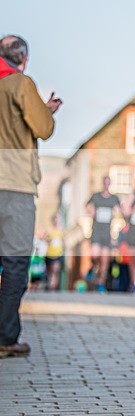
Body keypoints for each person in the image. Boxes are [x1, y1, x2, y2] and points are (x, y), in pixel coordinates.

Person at [0, 35, 60, 358]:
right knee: (14, 263)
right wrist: (48, 111)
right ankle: (5, 337)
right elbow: (42, 128)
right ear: (22, 59)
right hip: (13, 185)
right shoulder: (20, 84)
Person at [86, 176, 123, 292]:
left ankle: (101, 282)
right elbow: (87, 206)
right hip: (96, 231)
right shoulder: (96, 196)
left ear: (110, 184)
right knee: (95, 254)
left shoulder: (114, 198)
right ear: (102, 183)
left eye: (108, 183)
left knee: (105, 259)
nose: (106, 185)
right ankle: (92, 268)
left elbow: (121, 212)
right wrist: (90, 210)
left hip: (107, 233)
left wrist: (118, 212)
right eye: (105, 182)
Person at [44, 215, 65, 291]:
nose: (56, 222)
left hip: (57, 254)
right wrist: (49, 240)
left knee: (55, 270)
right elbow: (44, 239)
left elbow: (64, 241)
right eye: (55, 220)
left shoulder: (61, 231)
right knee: (49, 271)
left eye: (58, 220)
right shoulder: (49, 230)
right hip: (49, 254)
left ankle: (53, 286)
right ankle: (49, 283)